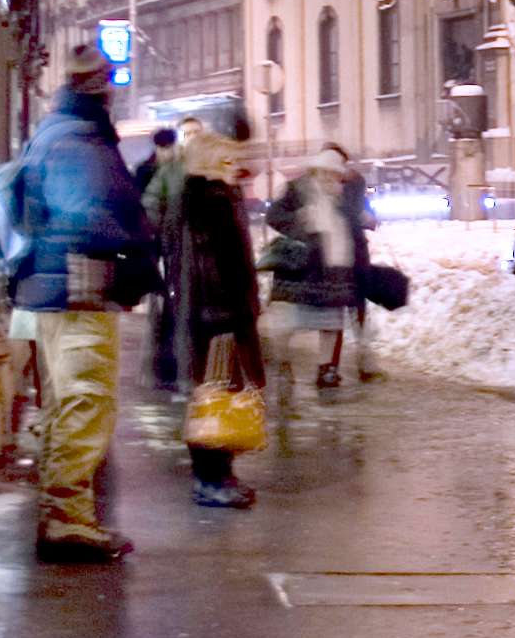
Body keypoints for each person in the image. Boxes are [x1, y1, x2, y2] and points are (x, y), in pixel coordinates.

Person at [6, 41, 157, 562]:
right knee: (86, 396)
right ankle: (68, 519)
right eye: (108, 82)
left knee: (67, 399)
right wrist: (134, 251)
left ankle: (62, 510)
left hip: (56, 283)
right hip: (80, 282)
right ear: (99, 87)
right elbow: (88, 215)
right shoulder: (79, 138)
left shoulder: (62, 131)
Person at [173, 120, 267, 508]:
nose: (237, 163)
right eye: (228, 157)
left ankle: (220, 475)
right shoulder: (210, 201)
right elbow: (212, 265)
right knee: (215, 398)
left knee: (222, 396)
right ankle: (210, 480)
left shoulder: (212, 196)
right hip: (218, 316)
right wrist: (230, 314)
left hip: (219, 314)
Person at [264, 148, 374, 389]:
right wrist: (301, 221)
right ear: (317, 170)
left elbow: (352, 224)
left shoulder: (343, 194)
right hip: (301, 269)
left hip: (334, 269)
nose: (331, 178)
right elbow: (273, 215)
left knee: (331, 321)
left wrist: (366, 220)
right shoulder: (296, 189)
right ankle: (283, 365)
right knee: (291, 322)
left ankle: (327, 370)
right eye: (327, 173)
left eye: (336, 174)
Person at [138, 124, 188, 393]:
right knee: (160, 309)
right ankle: (160, 367)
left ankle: (168, 367)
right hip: (157, 249)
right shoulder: (146, 171)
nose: (167, 152)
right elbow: (144, 211)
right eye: (163, 147)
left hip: (176, 249)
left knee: (174, 308)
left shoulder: (182, 171)